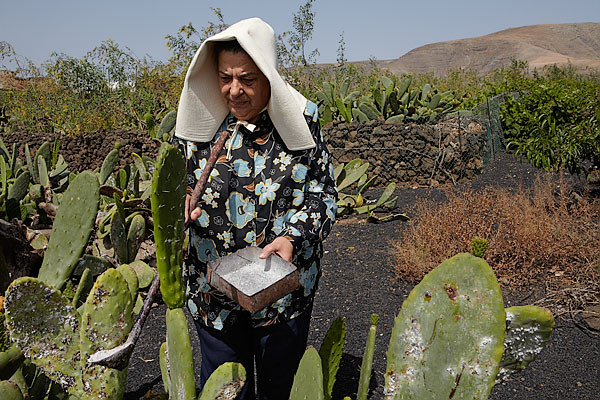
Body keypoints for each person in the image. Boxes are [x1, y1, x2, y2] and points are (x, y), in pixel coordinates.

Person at [172, 17, 338, 399]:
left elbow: (325, 195)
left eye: (247, 79)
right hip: (212, 294)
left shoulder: (301, 121)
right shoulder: (197, 126)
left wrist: (293, 238)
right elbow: (174, 188)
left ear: (268, 76)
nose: (234, 91)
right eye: (225, 77)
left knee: (281, 388)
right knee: (226, 389)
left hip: (282, 295)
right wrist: (178, 208)